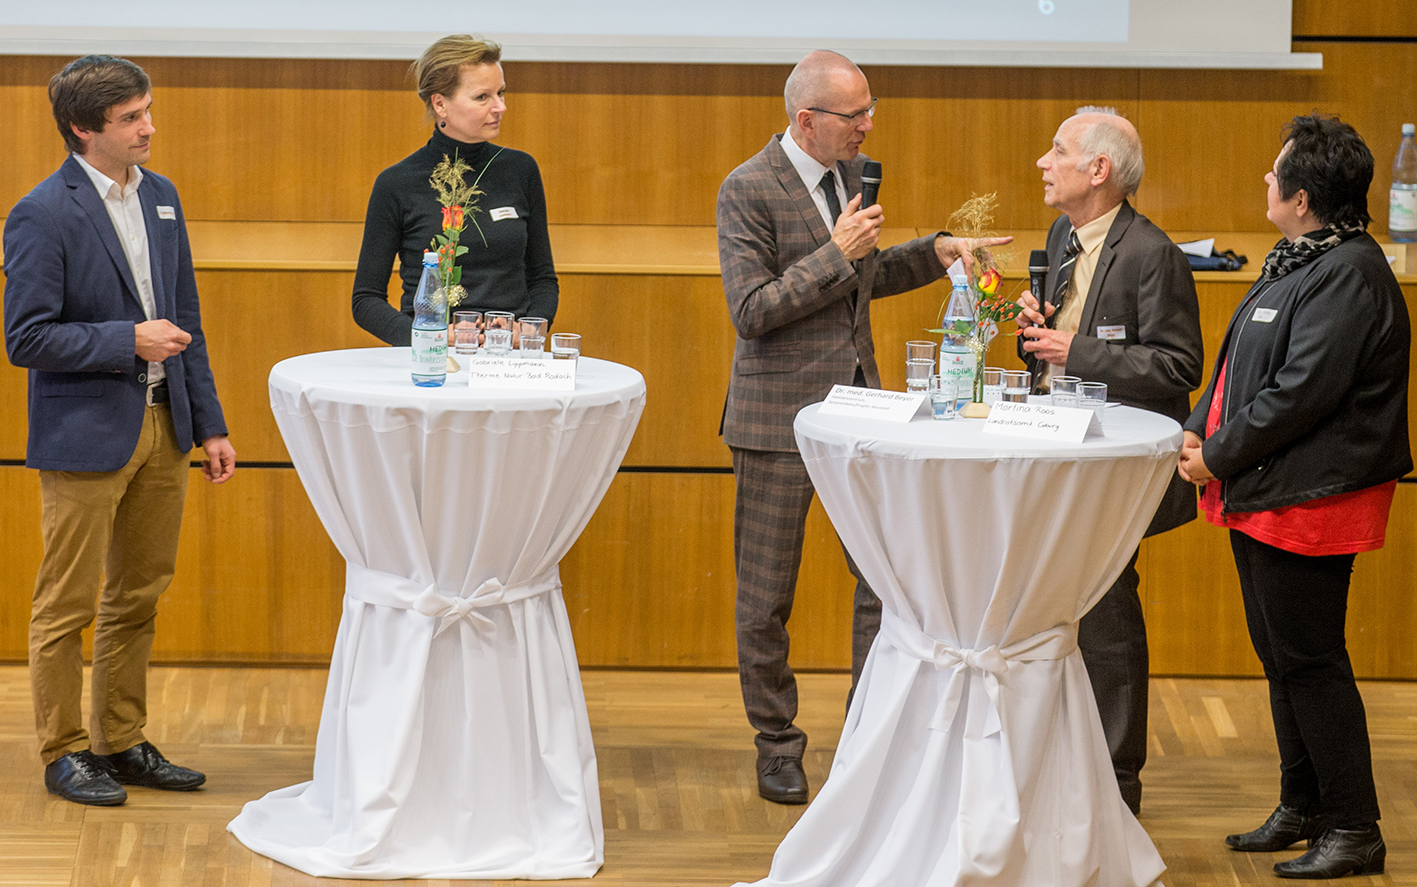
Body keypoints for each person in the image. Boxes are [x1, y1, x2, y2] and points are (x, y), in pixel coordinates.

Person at [716, 49, 1006, 804]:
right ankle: (776, 743)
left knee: (883, 584)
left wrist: (937, 251)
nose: (868, 126)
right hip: (775, 422)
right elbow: (752, 312)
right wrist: (834, 252)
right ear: (806, 120)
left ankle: (866, 733)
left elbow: (864, 279)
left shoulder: (850, 179)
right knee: (765, 598)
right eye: (855, 115)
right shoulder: (746, 188)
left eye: (869, 110)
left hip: (859, 419)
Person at [1179, 113, 1409, 879]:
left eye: (1274, 175)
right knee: (1281, 658)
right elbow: (1239, 362)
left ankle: (1354, 826)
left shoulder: (1348, 273)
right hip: (1267, 488)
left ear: (1302, 196)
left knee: (1310, 661)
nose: (1263, 183)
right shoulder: (1298, 256)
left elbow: (1298, 393)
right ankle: (1301, 804)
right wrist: (1196, 431)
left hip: (1312, 496)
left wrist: (1214, 455)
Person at [3, 55, 236, 806]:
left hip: (165, 426)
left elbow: (187, 319)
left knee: (138, 595)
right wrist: (125, 339)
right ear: (84, 128)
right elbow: (26, 338)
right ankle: (64, 750)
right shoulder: (42, 211)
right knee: (67, 604)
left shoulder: (162, 197)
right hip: (86, 433)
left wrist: (211, 425)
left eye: (147, 110)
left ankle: (120, 739)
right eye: (133, 117)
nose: (150, 127)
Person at [1016, 107, 1203, 815]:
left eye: (1057, 151)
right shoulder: (1063, 233)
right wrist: (1036, 335)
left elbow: (1178, 363)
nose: (1043, 161)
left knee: (1107, 607)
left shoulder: (1151, 254)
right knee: (1063, 604)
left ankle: (1118, 783)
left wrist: (1076, 351)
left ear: (1098, 171)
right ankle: (1065, 759)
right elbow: (1062, 348)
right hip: (1059, 447)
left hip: (1116, 463)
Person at [352, 34, 557, 345]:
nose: (500, 107)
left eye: (500, 93)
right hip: (430, 355)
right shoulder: (397, 183)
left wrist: (530, 329)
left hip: (507, 357)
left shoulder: (520, 170)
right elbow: (366, 300)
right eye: (482, 97)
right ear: (440, 104)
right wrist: (430, 336)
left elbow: (543, 279)